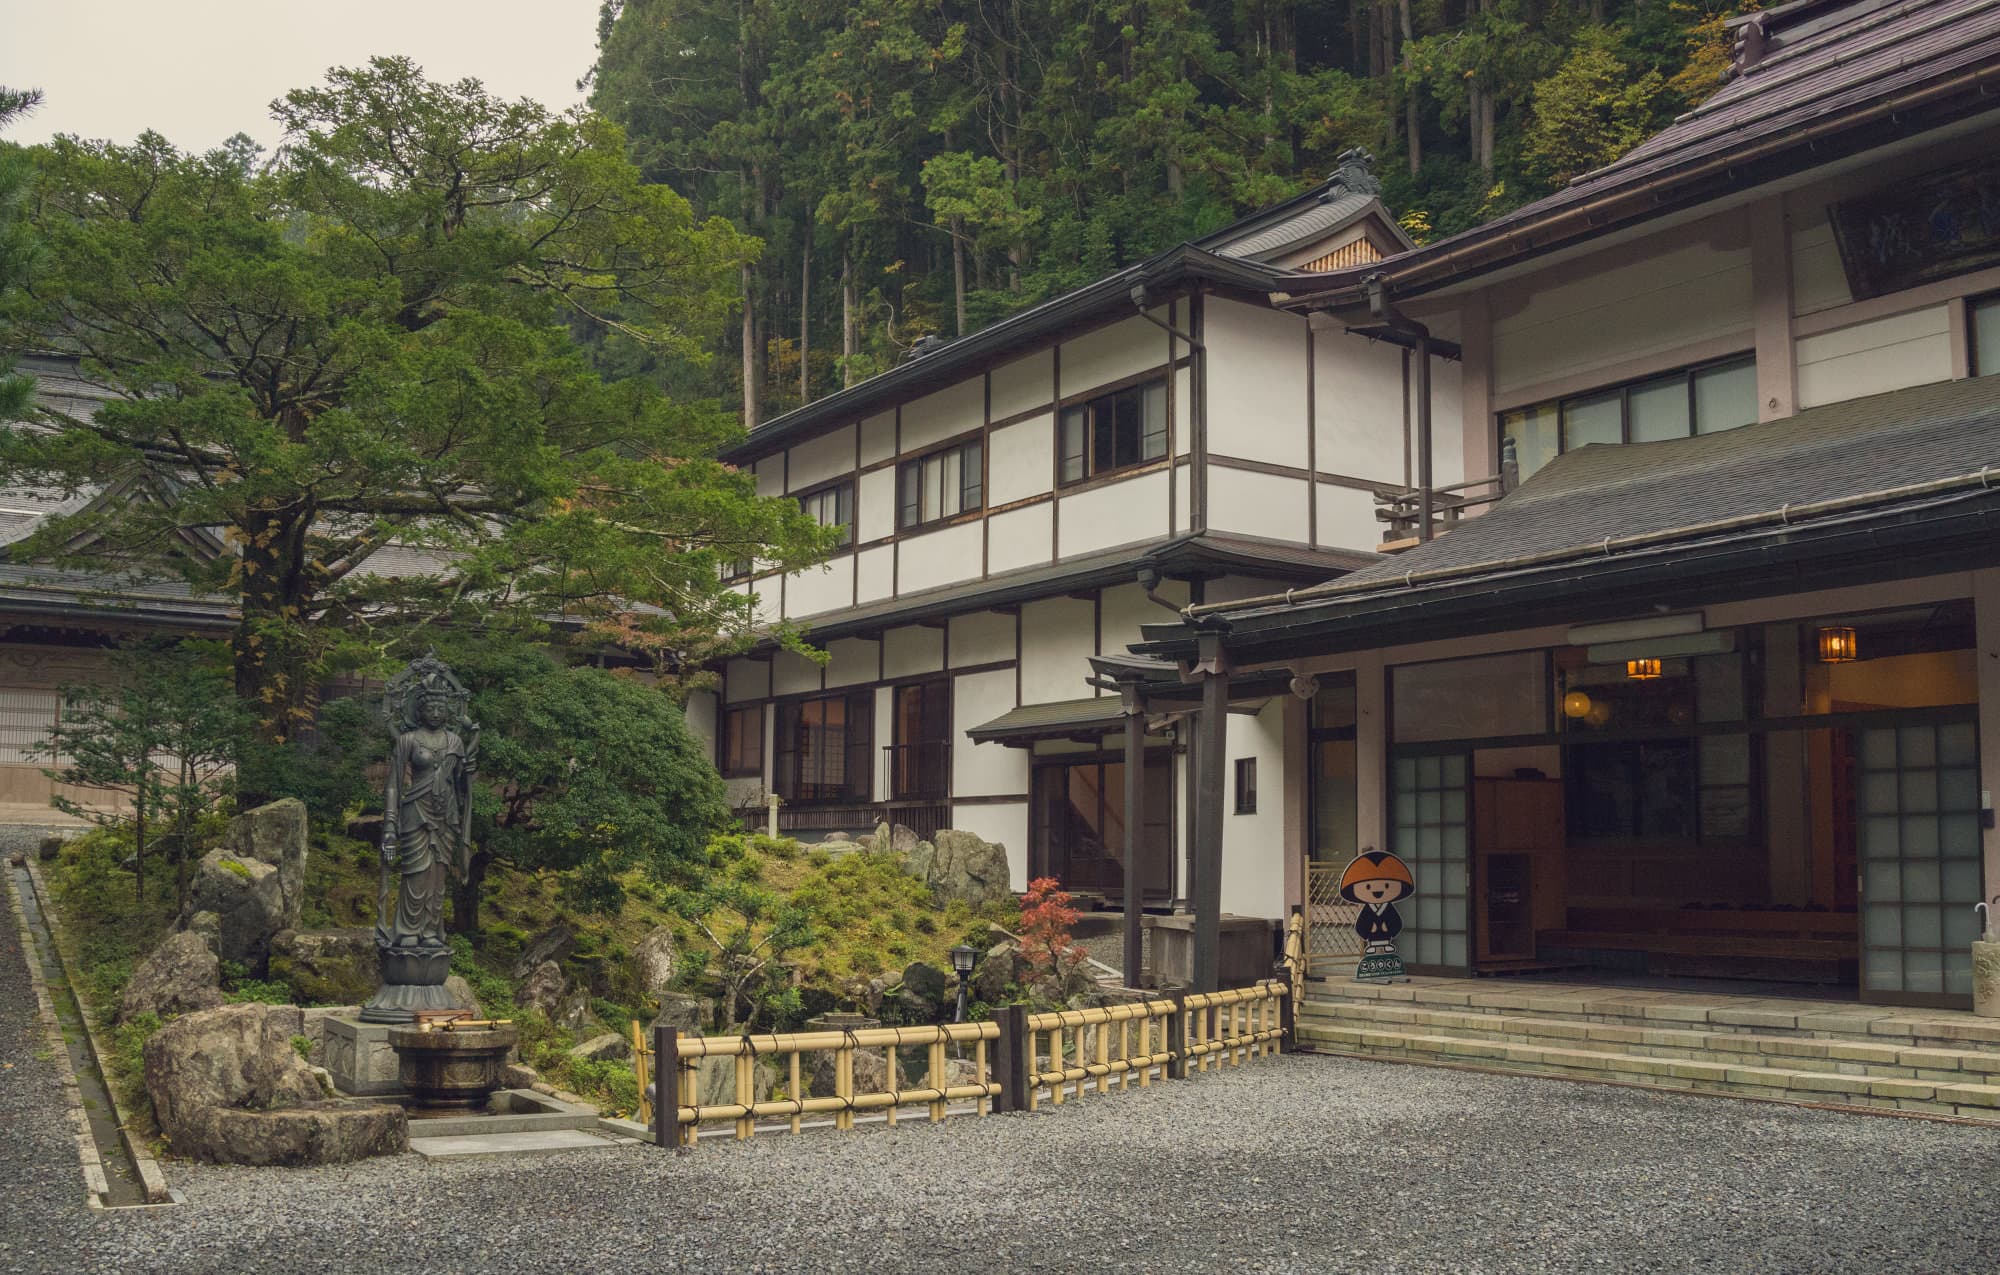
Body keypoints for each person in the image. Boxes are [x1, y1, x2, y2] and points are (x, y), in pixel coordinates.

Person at [380, 666, 478, 949]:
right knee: (415, 871)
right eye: (429, 707)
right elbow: (393, 785)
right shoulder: (407, 740)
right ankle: (408, 929)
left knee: (438, 874)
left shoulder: (454, 741)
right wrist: (389, 826)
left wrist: (468, 772)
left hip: (446, 812)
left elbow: (460, 786)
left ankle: (431, 930)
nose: (435, 712)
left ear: (448, 711)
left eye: (441, 707)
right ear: (418, 710)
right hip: (416, 811)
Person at [1338, 849, 1415, 955]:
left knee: (1386, 934)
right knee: (1373, 936)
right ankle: (1372, 945)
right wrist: (1368, 931)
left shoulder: (1388, 908)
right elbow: (1361, 924)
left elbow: (1396, 922)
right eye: (1368, 886)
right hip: (1371, 936)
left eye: (1387, 885)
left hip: (1387, 935)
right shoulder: (1368, 909)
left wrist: (1389, 929)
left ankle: (1387, 944)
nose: (1378, 890)